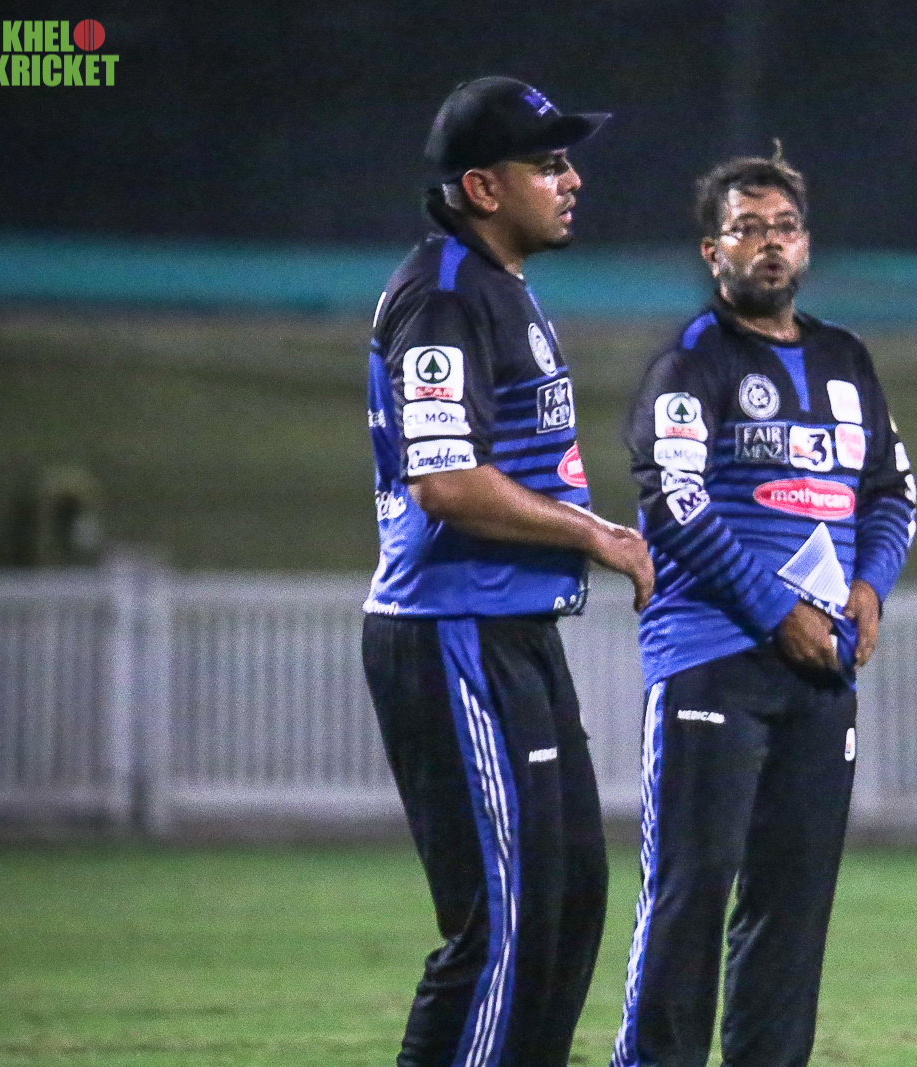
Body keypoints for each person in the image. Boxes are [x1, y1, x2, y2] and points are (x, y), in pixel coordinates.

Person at [361, 76, 653, 1067]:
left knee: (566, 902)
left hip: (506, 628)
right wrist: (596, 534)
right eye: (549, 163)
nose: (573, 181)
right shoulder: (444, 294)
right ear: (483, 188)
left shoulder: (495, 286)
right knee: (505, 919)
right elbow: (445, 482)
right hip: (454, 630)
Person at [611, 145, 917, 1067]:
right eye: (747, 229)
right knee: (693, 888)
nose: (769, 244)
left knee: (793, 901)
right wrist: (776, 612)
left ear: (807, 245)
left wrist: (869, 587)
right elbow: (676, 501)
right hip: (713, 657)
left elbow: (891, 492)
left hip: (818, 668)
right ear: (714, 252)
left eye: (784, 228)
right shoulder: (690, 363)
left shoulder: (845, 358)